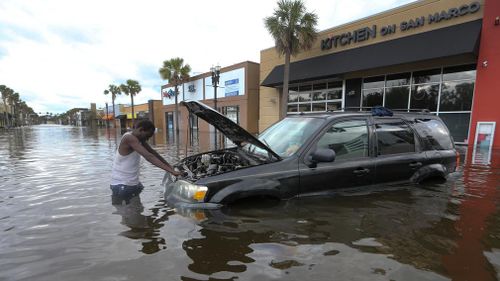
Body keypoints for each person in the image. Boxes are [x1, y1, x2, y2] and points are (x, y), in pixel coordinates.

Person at [110, 120, 180, 203]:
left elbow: (153, 153)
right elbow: (149, 156)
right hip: (122, 185)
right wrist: (172, 171)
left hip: (131, 184)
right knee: (132, 214)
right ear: (141, 130)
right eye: (147, 136)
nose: (147, 139)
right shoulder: (129, 138)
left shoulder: (138, 139)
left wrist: (170, 166)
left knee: (137, 213)